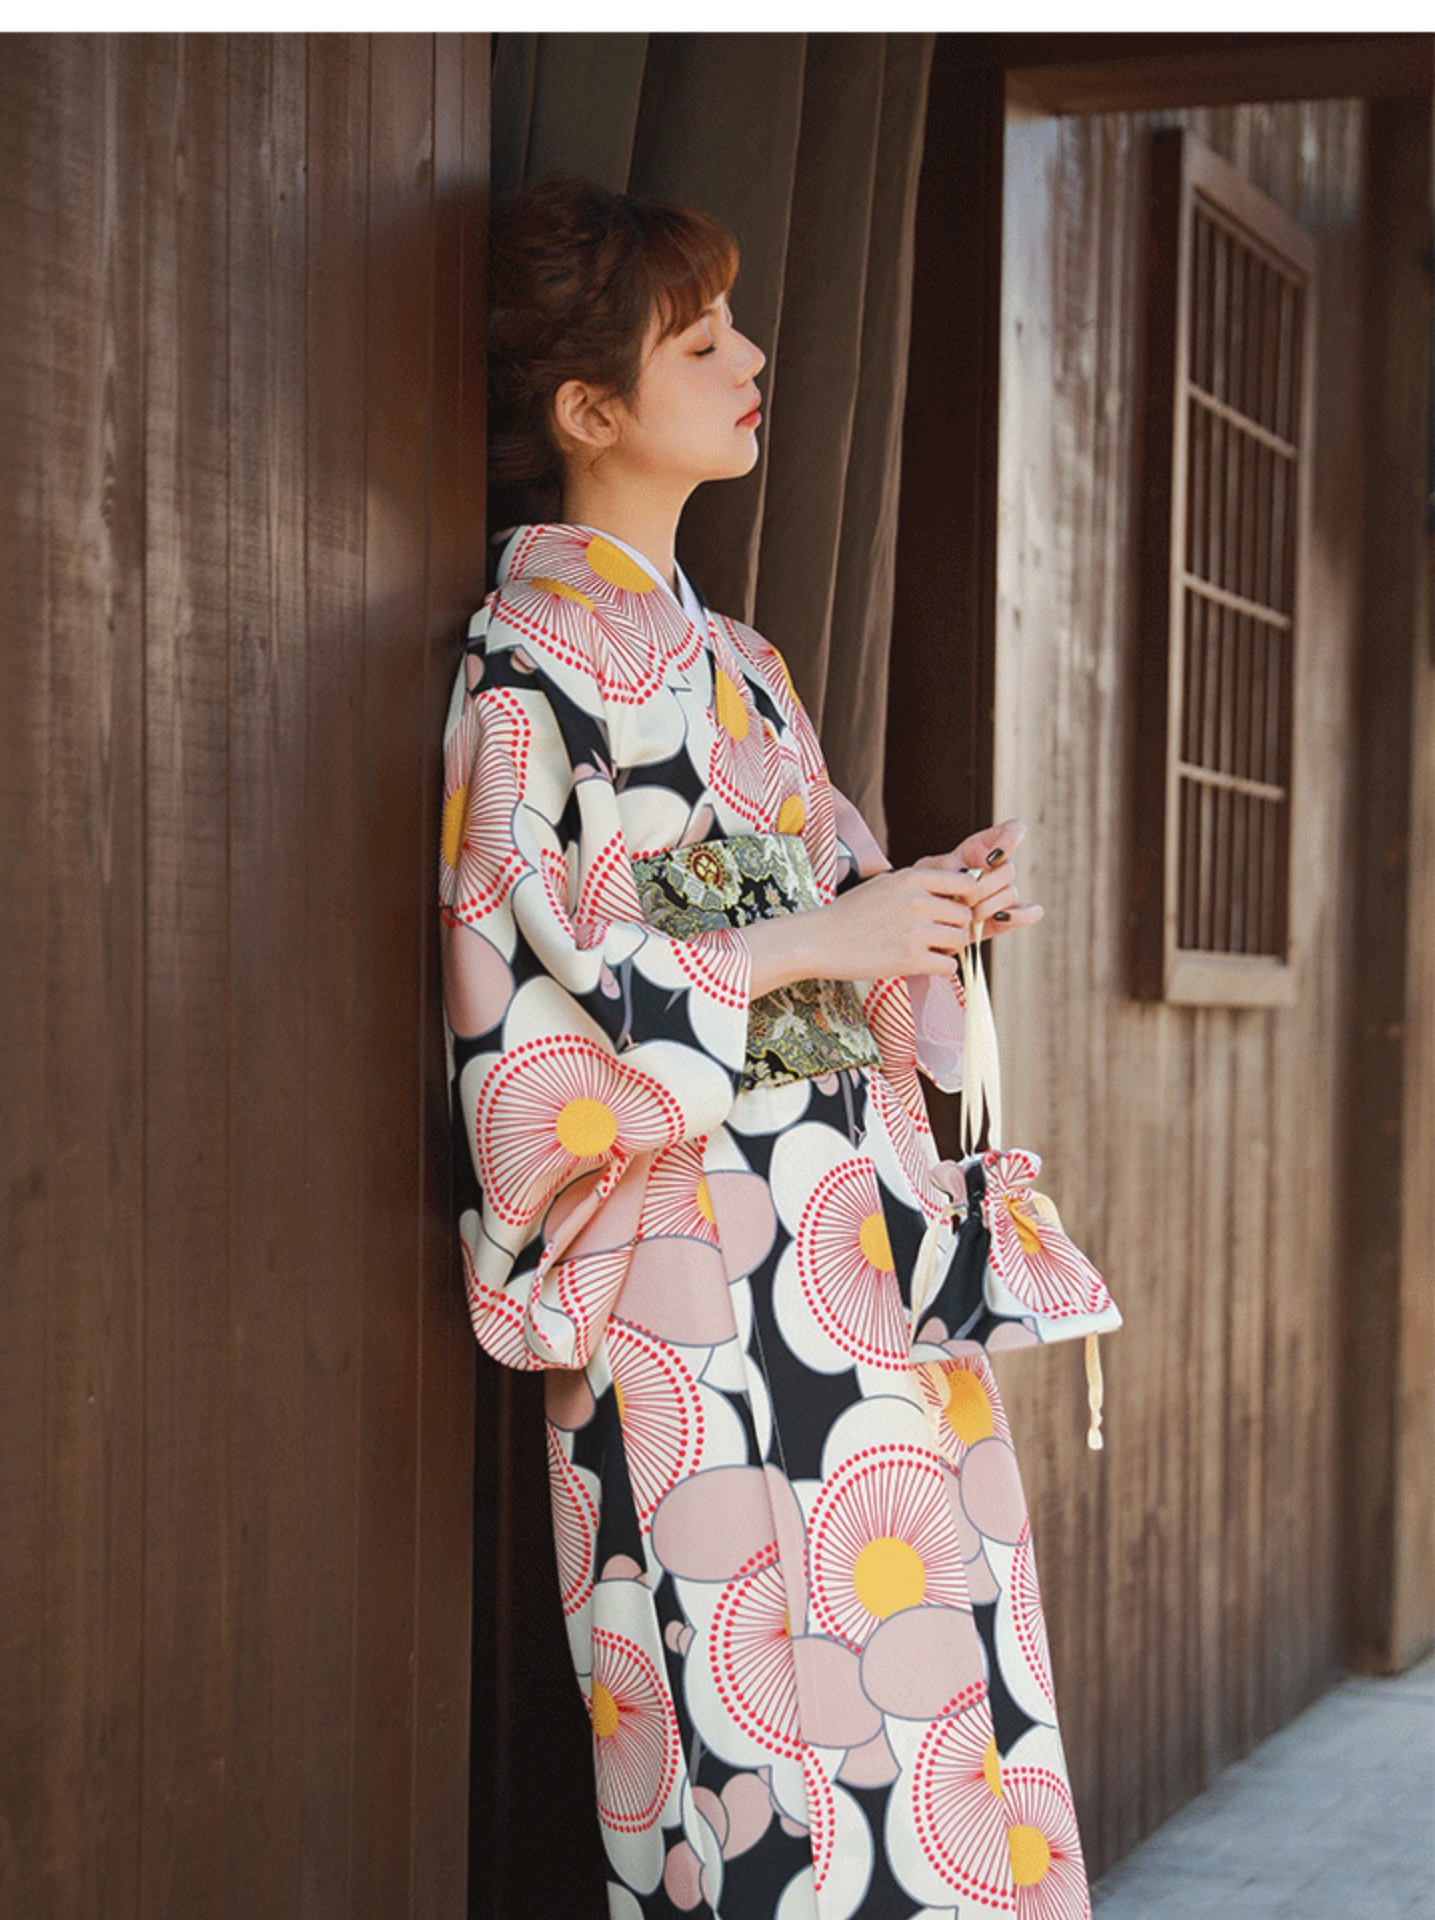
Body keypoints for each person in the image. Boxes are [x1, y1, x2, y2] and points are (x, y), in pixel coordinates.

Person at [441, 175, 1090, 1920]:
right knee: (751, 1730)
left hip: (847, 1237)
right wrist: (821, 942)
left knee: (929, 1685)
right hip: (684, 1272)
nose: (752, 361)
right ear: (588, 411)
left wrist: (921, 912)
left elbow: (835, 920)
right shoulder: (521, 674)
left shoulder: (746, 665)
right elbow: (535, 1005)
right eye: (701, 341)